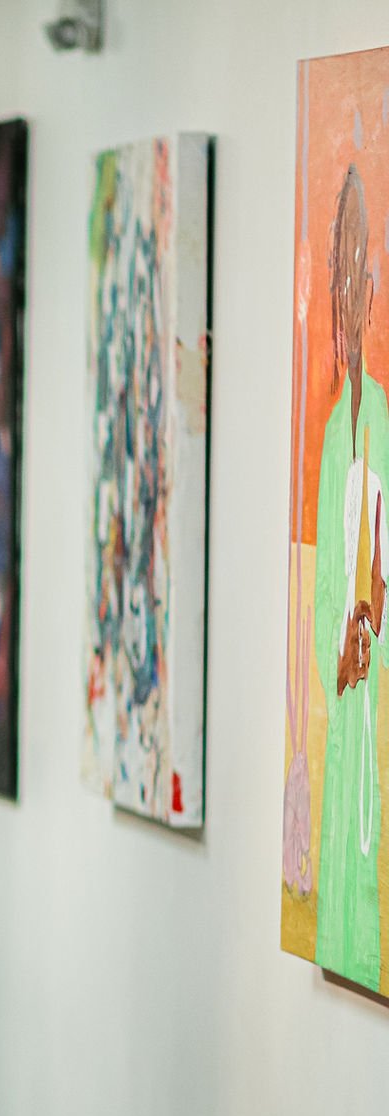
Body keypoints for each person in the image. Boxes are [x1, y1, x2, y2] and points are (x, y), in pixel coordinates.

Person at [313, 166, 389, 985]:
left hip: (370, 690)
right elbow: (330, 581)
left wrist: (372, 629)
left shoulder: (384, 433)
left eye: (356, 277)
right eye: (335, 276)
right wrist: (342, 631)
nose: (345, 301)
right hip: (344, 692)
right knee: (340, 827)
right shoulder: (338, 431)